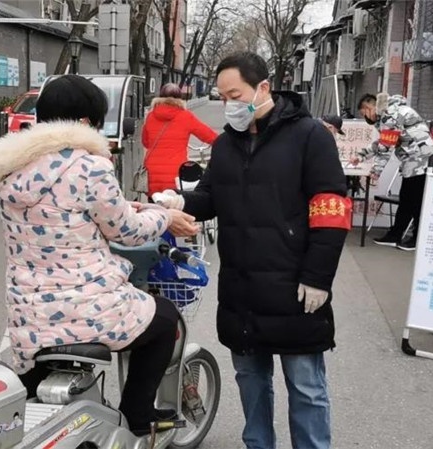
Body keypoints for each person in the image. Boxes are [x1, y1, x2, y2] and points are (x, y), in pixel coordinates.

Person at [0, 74, 198, 437]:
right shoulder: (87, 165)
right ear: (84, 122)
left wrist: (133, 205)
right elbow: (126, 230)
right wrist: (165, 216)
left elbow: (67, 210)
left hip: (28, 309)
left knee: (35, 378)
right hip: (86, 305)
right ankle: (138, 415)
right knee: (164, 319)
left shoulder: (12, 167)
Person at [154, 52, 351, 449]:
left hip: (294, 288)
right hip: (241, 288)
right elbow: (211, 197)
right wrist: (180, 202)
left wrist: (318, 278)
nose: (229, 104)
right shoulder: (227, 144)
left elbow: (331, 208)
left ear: (263, 88)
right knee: (251, 382)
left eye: (235, 94)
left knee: (307, 387)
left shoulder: (310, 136)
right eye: (223, 97)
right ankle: (258, 444)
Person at [352, 93, 433, 251]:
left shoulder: (389, 116)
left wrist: (376, 171)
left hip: (419, 160)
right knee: (407, 199)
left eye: (365, 114)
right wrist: (361, 156)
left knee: (415, 201)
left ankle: (414, 239)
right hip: (417, 159)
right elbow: (384, 141)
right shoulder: (391, 112)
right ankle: (395, 235)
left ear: (369, 108)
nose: (367, 118)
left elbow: (385, 148)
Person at [142, 83, 218, 198]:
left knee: (154, 209)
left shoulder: (151, 116)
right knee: (176, 210)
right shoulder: (186, 116)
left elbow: (146, 142)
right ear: (180, 99)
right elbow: (210, 137)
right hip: (175, 174)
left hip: (152, 174)